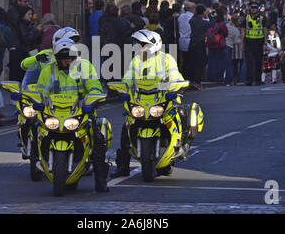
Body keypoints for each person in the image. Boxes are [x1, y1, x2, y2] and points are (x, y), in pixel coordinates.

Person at [111, 30, 197, 178]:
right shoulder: (137, 60)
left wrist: (178, 85)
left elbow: (175, 75)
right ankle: (123, 166)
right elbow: (128, 78)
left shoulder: (167, 59)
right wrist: (122, 88)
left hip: (164, 98)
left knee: (182, 114)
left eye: (141, 45)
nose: (137, 48)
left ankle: (183, 144)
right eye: (137, 45)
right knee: (127, 125)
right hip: (142, 100)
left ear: (153, 45)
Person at [36, 39, 110, 192]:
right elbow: (39, 93)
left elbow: (94, 86)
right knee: (35, 129)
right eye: (63, 57)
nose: (67, 59)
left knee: (98, 139)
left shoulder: (85, 67)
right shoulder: (47, 71)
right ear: (57, 57)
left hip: (81, 113)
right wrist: (36, 102)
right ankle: (35, 162)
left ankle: (101, 181)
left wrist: (94, 99)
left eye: (70, 56)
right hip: (54, 114)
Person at [241, 2, 267, 86]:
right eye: (252, 8)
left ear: (257, 9)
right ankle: (249, 80)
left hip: (259, 42)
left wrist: (265, 43)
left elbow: (265, 30)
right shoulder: (247, 18)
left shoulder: (262, 18)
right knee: (249, 62)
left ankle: (258, 80)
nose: (253, 9)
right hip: (249, 42)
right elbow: (243, 31)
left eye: (255, 8)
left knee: (258, 62)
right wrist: (242, 43)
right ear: (250, 8)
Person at [188, 4, 211, 90]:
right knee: (200, 63)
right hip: (200, 44)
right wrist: (207, 16)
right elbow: (209, 24)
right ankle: (197, 81)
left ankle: (193, 80)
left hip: (192, 43)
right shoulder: (203, 22)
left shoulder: (192, 20)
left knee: (193, 62)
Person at [178, 2, 195, 79]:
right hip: (190, 41)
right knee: (190, 61)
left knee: (183, 61)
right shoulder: (193, 17)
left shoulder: (180, 17)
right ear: (191, 8)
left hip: (181, 41)